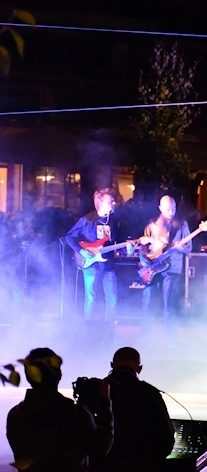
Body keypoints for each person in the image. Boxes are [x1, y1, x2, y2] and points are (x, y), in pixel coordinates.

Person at [6, 347, 114, 472]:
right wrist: (104, 403)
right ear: (59, 375)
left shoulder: (14, 415)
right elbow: (102, 446)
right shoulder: (76, 414)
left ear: (28, 376)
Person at [100, 347, 175, 472]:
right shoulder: (149, 393)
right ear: (140, 368)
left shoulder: (95, 389)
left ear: (112, 365)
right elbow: (166, 439)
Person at [139, 195, 192, 340]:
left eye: (173, 208)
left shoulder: (182, 225)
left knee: (169, 305)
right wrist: (145, 264)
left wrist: (181, 248)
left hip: (173, 268)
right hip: (153, 268)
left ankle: (170, 340)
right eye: (168, 209)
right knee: (148, 302)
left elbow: (189, 247)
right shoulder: (152, 225)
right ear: (160, 208)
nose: (171, 212)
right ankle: (144, 336)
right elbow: (143, 249)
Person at [65, 188, 120, 325]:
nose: (114, 203)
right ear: (101, 204)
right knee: (91, 299)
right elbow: (69, 237)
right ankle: (88, 330)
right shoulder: (87, 220)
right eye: (110, 201)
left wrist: (129, 245)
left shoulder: (113, 220)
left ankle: (109, 331)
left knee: (112, 300)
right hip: (91, 264)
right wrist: (81, 251)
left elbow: (114, 240)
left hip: (108, 265)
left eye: (113, 201)